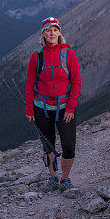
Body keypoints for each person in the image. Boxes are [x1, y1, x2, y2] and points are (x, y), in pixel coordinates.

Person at [25, 17, 81, 191]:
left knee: (69, 145)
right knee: (47, 144)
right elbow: (30, 84)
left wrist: (71, 107)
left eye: (55, 30)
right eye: (49, 30)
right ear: (43, 34)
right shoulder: (37, 57)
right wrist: (29, 108)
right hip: (41, 108)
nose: (52, 33)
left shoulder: (68, 54)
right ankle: (52, 177)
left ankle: (65, 178)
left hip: (65, 108)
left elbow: (76, 82)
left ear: (59, 33)